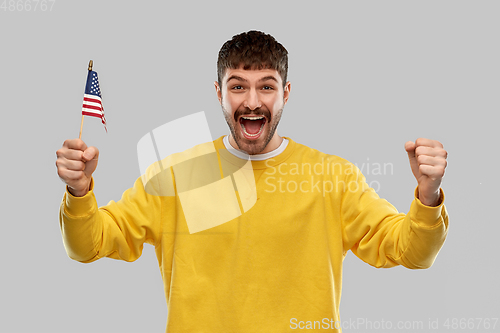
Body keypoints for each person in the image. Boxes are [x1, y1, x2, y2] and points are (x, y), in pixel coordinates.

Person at [56, 30, 449, 332]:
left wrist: (428, 195)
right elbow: (87, 247)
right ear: (219, 93)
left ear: (286, 93)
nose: (253, 101)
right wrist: (79, 192)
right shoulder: (174, 175)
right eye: (238, 86)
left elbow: (413, 253)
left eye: (266, 85)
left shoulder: (333, 177)